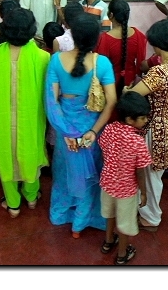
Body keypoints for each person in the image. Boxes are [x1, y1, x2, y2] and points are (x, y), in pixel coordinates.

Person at [45, 15, 117, 237]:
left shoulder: (56, 60)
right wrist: (93, 132)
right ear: (97, 38)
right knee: (90, 175)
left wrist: (66, 131)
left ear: (72, 36)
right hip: (91, 131)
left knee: (64, 172)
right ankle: (81, 222)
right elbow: (112, 101)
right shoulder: (102, 63)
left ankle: (62, 215)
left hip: (65, 131)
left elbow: (51, 101)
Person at [0, 8, 50, 217]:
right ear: (31, 29)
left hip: (1, 121)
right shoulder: (42, 57)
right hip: (29, 120)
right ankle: (30, 196)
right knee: (31, 154)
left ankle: (12, 204)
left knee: (5, 157)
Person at [127, 19, 168, 231]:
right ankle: (147, 210)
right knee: (157, 171)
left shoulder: (159, 73)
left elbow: (133, 96)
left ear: (157, 44)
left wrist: (126, 89)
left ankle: (150, 216)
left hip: (155, 128)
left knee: (149, 173)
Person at [98, 91, 151, 265]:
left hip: (107, 183)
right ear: (130, 119)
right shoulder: (137, 142)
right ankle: (122, 254)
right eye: (142, 118)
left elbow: (103, 149)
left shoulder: (109, 129)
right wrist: (143, 192)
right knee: (124, 224)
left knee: (110, 215)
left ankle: (107, 242)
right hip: (126, 190)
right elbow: (141, 170)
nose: (145, 121)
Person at [96, 0, 147, 96]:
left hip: (109, 84)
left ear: (110, 15)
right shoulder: (138, 35)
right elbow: (140, 63)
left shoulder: (104, 39)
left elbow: (100, 68)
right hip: (132, 84)